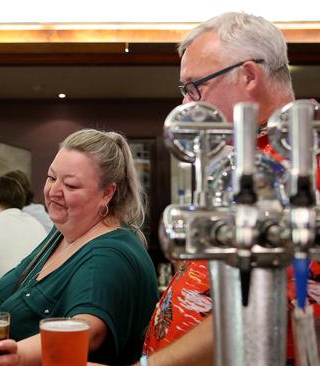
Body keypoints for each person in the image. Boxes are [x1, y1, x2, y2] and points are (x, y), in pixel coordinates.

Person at [137, 12, 320, 366]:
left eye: (195, 87)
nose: (187, 105)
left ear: (248, 75)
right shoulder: (245, 158)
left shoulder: (303, 160)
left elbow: (274, 308)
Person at [0, 129, 159, 365]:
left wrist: (17, 354)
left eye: (70, 185)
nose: (53, 191)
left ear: (107, 193)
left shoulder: (109, 256)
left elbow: (90, 331)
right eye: (51, 178)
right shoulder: (59, 233)